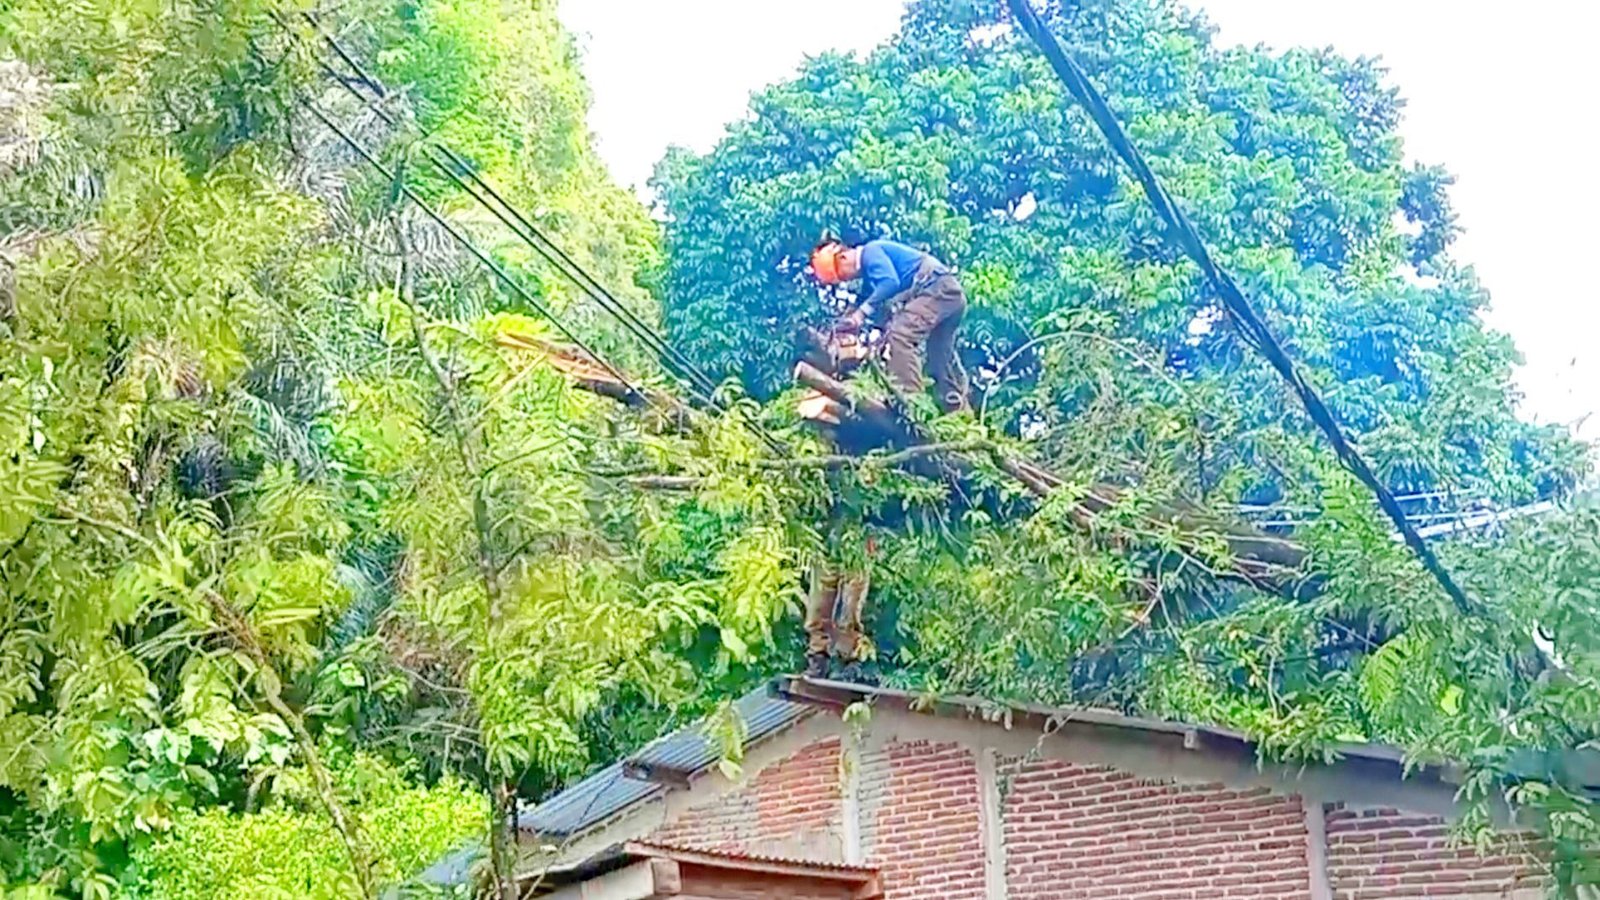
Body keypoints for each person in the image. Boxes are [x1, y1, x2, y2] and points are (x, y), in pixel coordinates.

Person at [809, 238, 970, 413]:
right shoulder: (869, 276)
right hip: (947, 294)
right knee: (938, 356)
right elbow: (865, 301)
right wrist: (848, 321)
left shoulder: (871, 252)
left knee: (899, 336)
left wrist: (861, 314)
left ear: (843, 258)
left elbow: (890, 282)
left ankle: (911, 404)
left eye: (842, 275)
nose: (846, 280)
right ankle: (955, 408)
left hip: (937, 289)